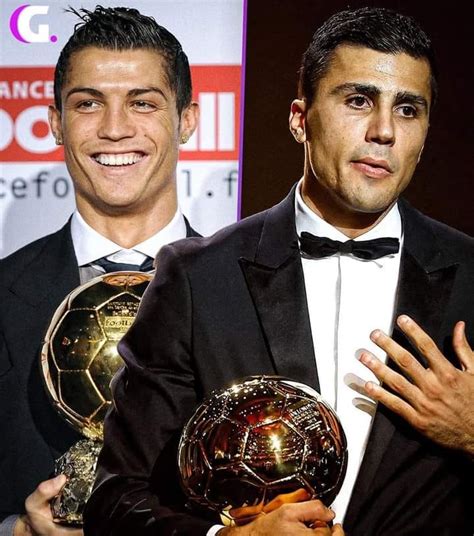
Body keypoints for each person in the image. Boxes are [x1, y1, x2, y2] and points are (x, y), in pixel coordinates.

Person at [84, 7, 473, 536]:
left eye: (407, 110)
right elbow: (115, 502)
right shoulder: (198, 279)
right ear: (299, 119)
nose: (383, 131)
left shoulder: (471, 277)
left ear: (424, 134)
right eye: (358, 100)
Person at [0, 6, 200, 536]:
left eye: (142, 103)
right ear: (56, 123)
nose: (114, 129)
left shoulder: (250, 292)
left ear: (187, 120)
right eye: (88, 103)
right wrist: (15, 531)